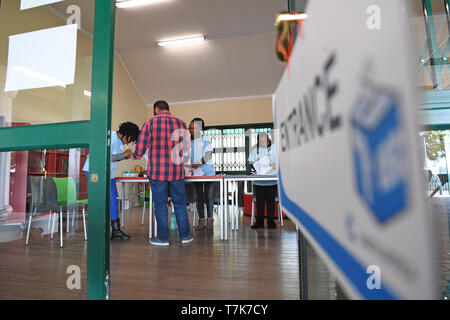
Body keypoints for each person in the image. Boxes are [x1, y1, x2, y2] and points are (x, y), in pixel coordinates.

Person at [133, 100, 193, 246]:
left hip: (158, 172)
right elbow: (186, 148)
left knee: (160, 205)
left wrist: (136, 155)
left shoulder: (150, 123)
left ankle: (163, 238)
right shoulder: (181, 123)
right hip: (177, 172)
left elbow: (140, 149)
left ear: (156, 109)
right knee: (179, 204)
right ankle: (185, 236)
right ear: (168, 108)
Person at [82, 121, 140, 240]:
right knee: (101, 200)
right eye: (130, 139)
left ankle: (116, 230)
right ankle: (98, 231)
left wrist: (126, 156)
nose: (129, 142)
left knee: (114, 199)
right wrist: (122, 155)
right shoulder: (110, 137)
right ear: (124, 134)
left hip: (108, 173)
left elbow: (113, 159)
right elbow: (101, 156)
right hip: (95, 170)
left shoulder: (121, 142)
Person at [187, 118, 215, 231]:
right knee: (199, 197)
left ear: (199, 128)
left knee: (208, 196)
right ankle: (201, 221)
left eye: (193, 128)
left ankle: (210, 220)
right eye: (189, 127)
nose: (190, 130)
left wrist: (197, 163)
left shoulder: (205, 139)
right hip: (196, 172)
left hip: (207, 171)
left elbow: (208, 155)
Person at [248, 132, 278, 229]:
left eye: (265, 140)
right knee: (260, 202)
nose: (263, 142)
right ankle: (259, 221)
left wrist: (274, 164)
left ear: (268, 139)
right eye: (261, 141)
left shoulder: (274, 148)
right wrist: (257, 165)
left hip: (271, 179)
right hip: (259, 180)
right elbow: (251, 162)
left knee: (270, 202)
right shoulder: (255, 148)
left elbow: (278, 160)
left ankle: (270, 221)